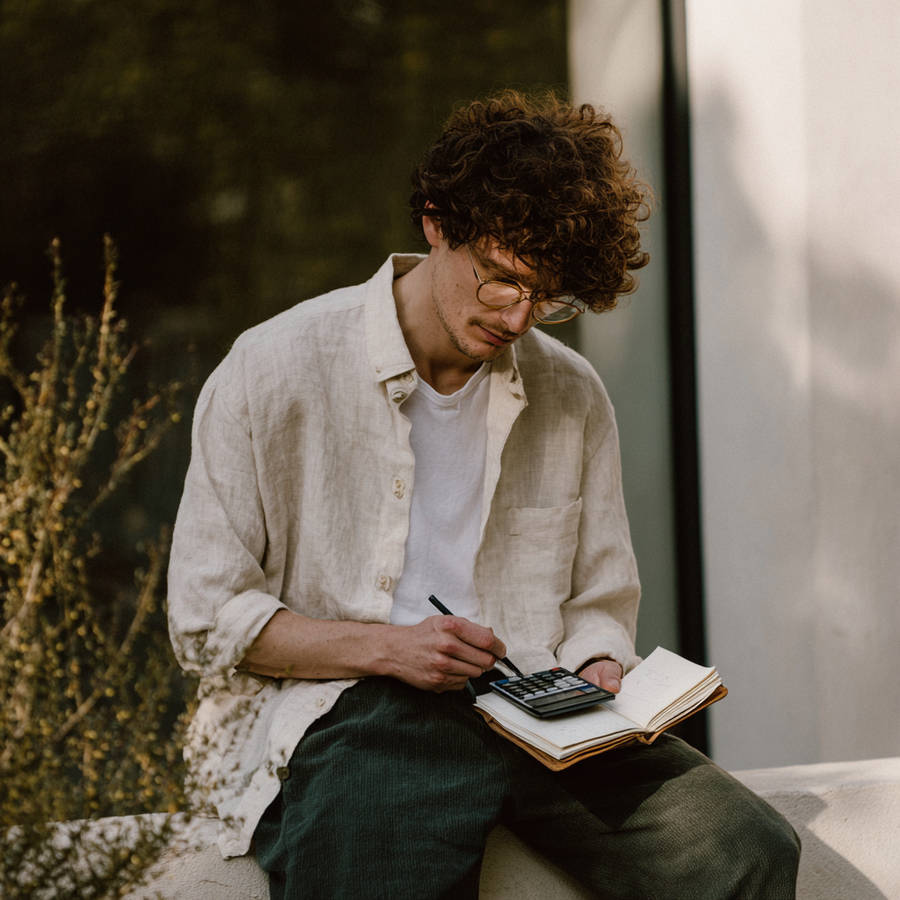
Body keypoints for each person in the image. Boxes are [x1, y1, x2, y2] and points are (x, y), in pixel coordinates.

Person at [168, 90, 799, 899]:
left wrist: (600, 663)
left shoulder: (569, 392)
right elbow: (206, 621)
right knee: (379, 861)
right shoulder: (274, 369)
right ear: (437, 221)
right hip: (356, 706)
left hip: (540, 704)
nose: (520, 315)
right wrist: (391, 648)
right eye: (502, 279)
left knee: (743, 847)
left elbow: (598, 601)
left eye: (549, 297)